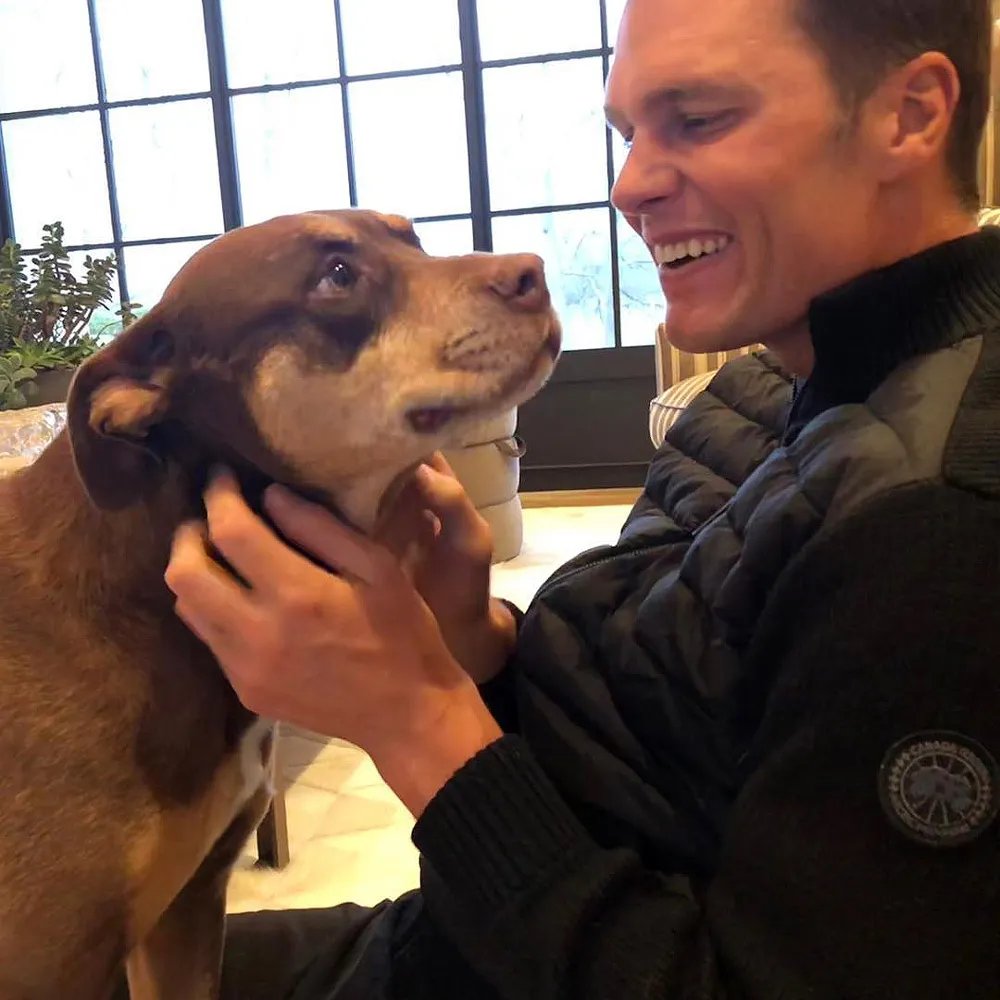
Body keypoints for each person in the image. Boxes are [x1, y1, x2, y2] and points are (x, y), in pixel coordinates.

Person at [163, 0, 1000, 996]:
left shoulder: (940, 527)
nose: (631, 184)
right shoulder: (767, 383)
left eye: (696, 119)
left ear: (908, 115)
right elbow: (661, 751)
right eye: (629, 132)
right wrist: (474, 645)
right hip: (456, 940)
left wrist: (418, 719)